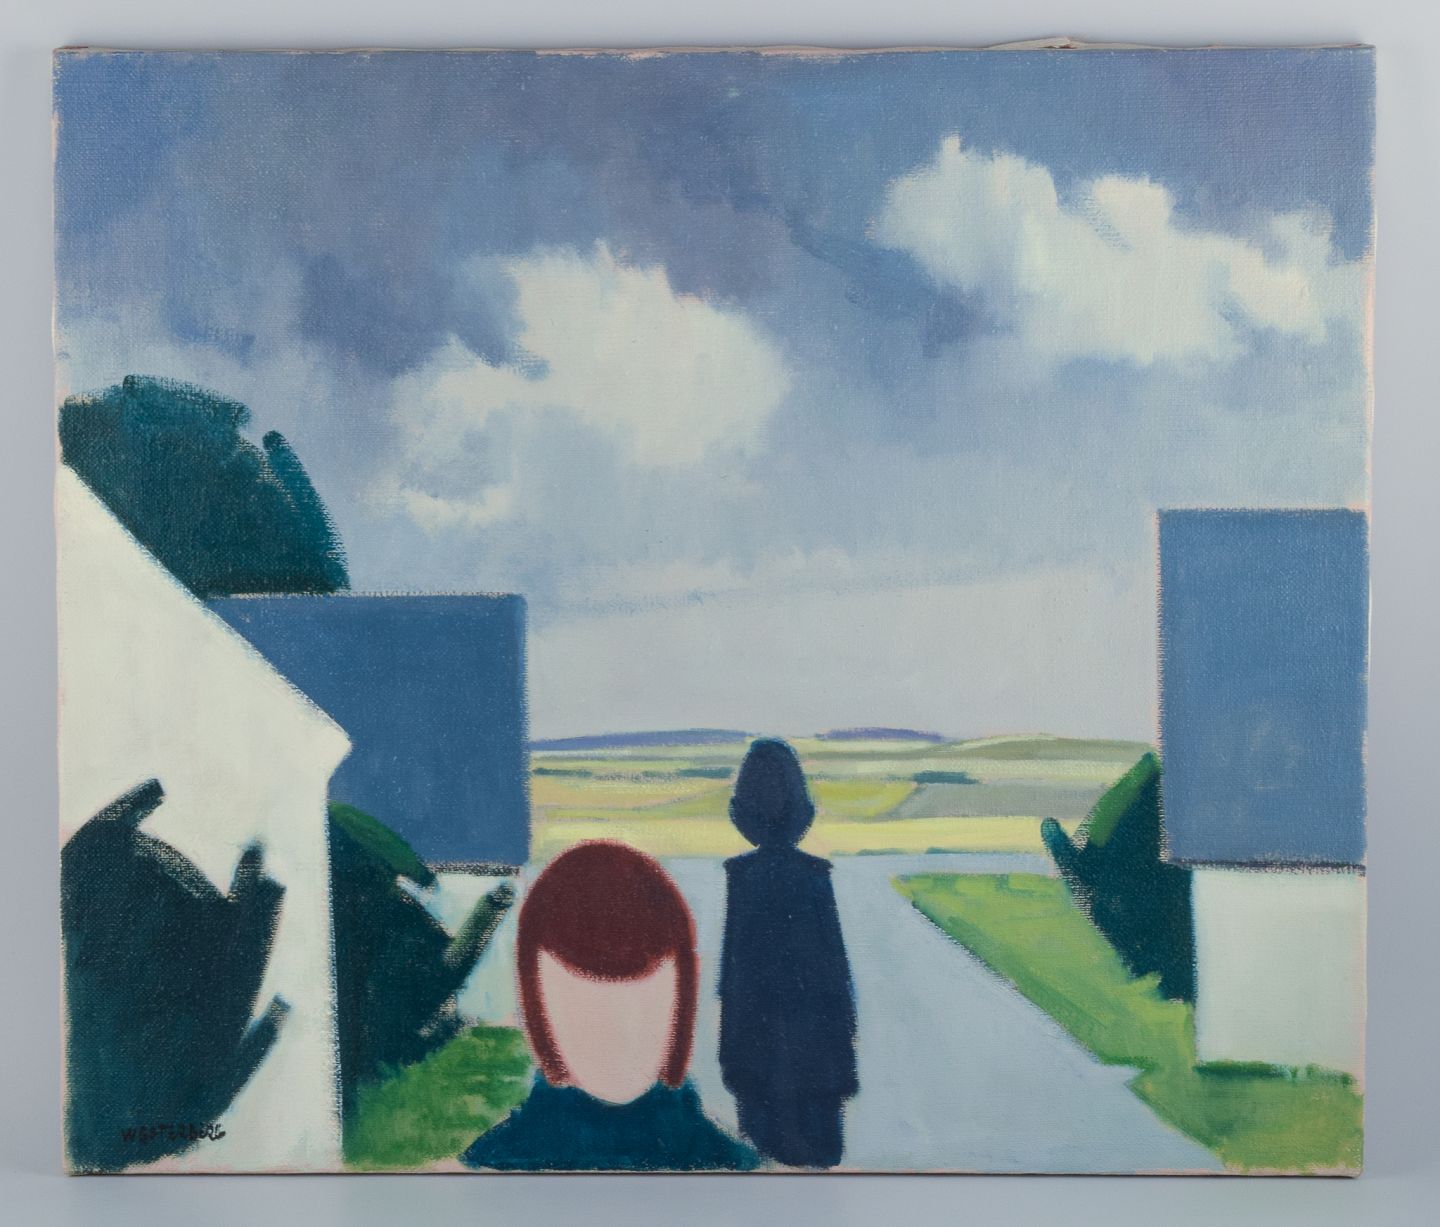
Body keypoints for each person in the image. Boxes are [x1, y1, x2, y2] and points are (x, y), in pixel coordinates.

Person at [460, 840, 758, 1171]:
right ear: (536, 1010)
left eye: (647, 1004)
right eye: (582, 1011)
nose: (617, 1035)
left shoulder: (726, 1162)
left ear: (682, 1005)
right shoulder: (496, 1161)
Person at [719, 739, 858, 1168]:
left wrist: (732, 1063)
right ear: (801, 808)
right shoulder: (816, 878)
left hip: (756, 1063)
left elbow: (734, 985)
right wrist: (844, 1065)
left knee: (764, 1163)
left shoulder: (741, 879)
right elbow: (836, 982)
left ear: (743, 811)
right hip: (818, 1063)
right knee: (819, 1165)